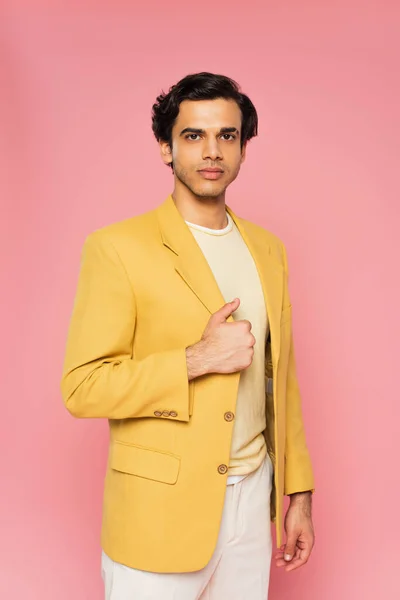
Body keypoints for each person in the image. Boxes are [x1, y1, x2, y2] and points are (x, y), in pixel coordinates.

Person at [60, 72, 315, 600]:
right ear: (166, 148)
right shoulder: (118, 248)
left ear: (244, 148)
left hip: (253, 502)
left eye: (227, 135)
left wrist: (298, 494)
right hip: (159, 511)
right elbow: (82, 387)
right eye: (193, 136)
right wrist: (195, 359)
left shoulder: (269, 250)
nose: (211, 150)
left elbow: (280, 382)